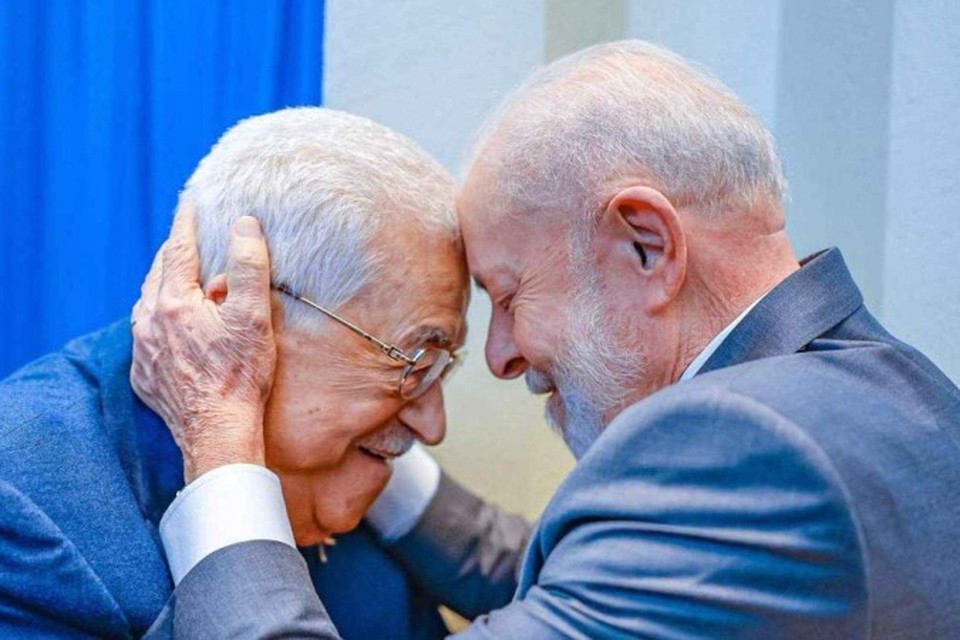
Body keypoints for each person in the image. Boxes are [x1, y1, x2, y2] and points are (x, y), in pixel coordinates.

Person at [133, 42, 960, 638]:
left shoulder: (740, 449)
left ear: (647, 245)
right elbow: (605, 587)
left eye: (507, 294)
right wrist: (359, 438)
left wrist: (222, 438)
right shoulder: (897, 393)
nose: (501, 356)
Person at [0, 107, 468, 639]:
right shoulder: (22, 502)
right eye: (413, 362)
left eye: (441, 368)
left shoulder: (343, 473)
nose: (434, 426)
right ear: (238, 315)